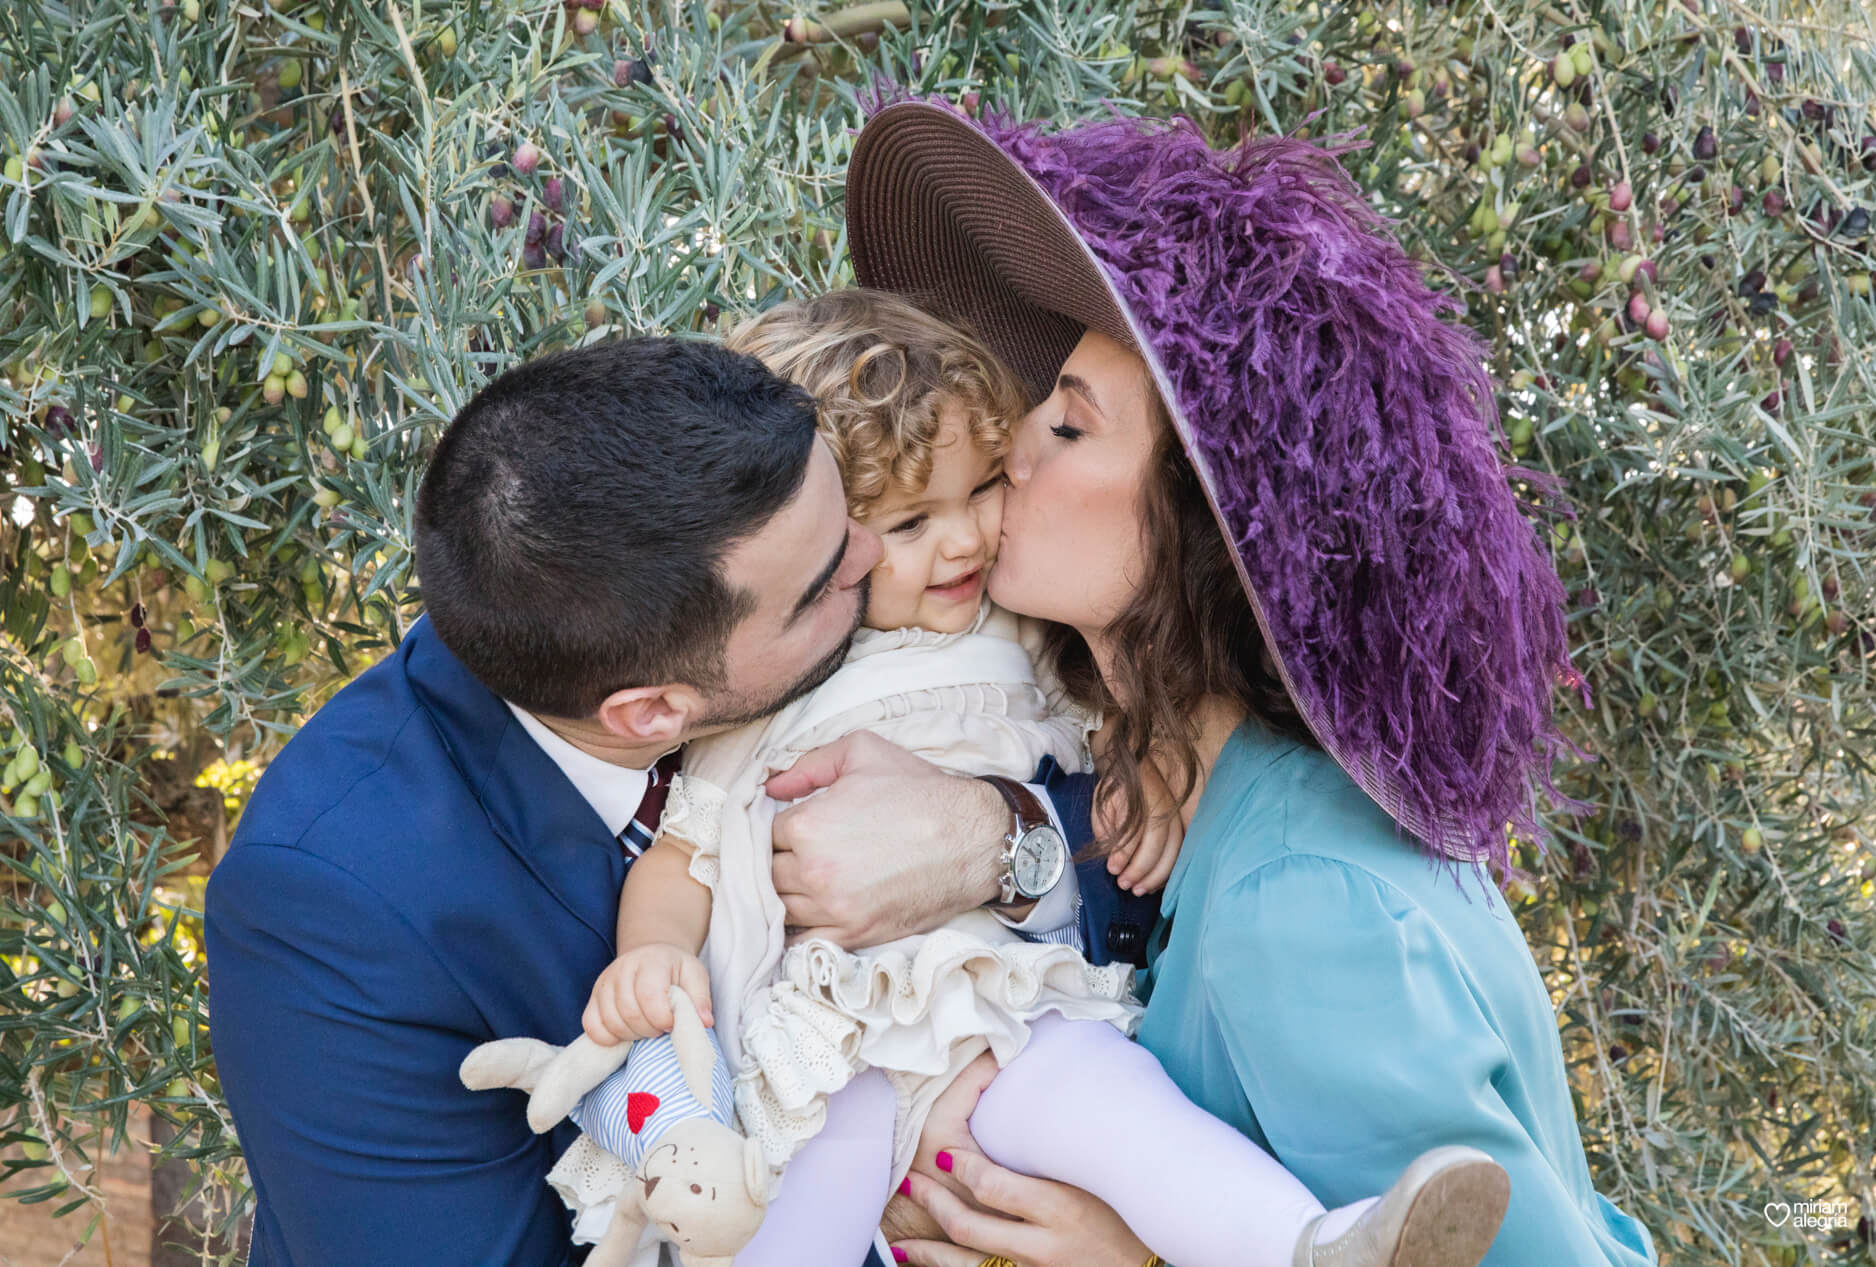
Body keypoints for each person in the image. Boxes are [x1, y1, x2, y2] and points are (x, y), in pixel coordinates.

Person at [802, 97, 1665, 1267]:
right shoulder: (1204, 804)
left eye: (1069, 426)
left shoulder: (1300, 902)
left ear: (1204, 527)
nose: (1007, 446)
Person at [532, 289, 1508, 1267]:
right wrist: (651, 955)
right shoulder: (782, 680)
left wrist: (1130, 773)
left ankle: (1308, 1243)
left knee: (1116, 1107)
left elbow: (1120, 748)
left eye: (985, 483)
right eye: (912, 521)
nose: (966, 538)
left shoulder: (1043, 666)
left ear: (1199, 523)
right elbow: (685, 851)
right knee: (813, 1191)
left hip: (1007, 1012)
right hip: (836, 1047)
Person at [201, 335, 1148, 1267]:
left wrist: (1002, 834)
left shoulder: (735, 540)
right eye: (827, 578)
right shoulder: (333, 909)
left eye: (855, 510)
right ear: (655, 710)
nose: (870, 551)